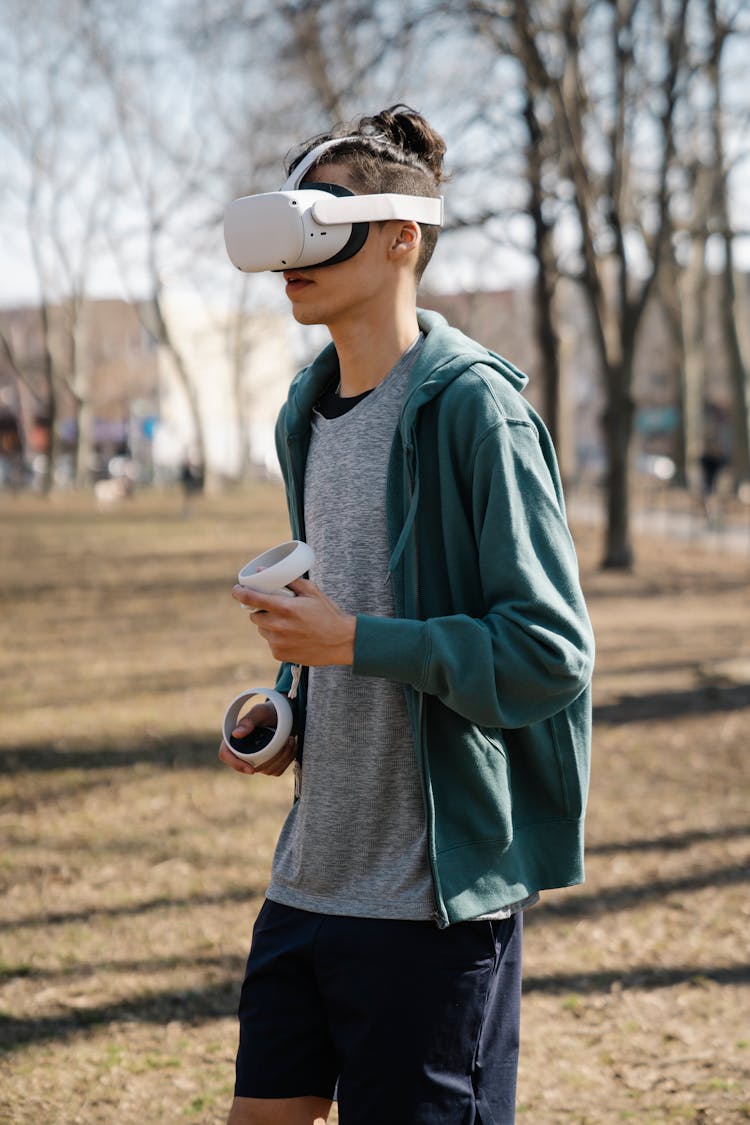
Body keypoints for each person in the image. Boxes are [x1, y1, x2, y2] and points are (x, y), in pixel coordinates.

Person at [218, 105, 595, 1125]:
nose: (295, 253)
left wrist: (357, 643)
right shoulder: (306, 410)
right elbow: (343, 622)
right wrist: (288, 708)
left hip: (430, 905)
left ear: (401, 238)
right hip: (307, 882)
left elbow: (550, 654)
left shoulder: (477, 408)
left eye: (326, 217)